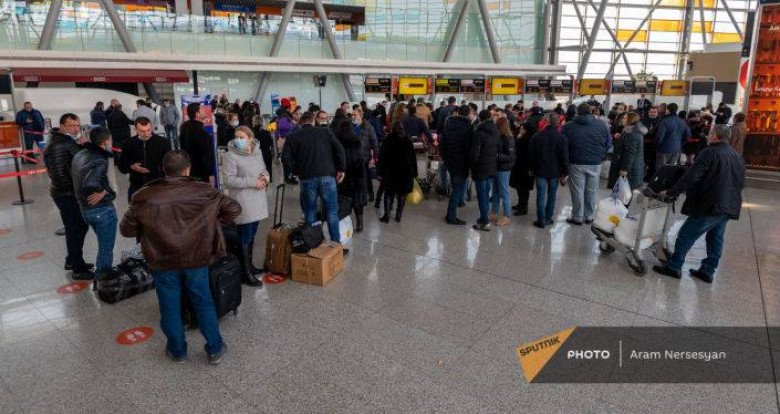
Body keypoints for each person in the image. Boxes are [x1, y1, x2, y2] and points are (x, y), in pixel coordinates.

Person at [120, 150, 240, 364]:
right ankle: (214, 348)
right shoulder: (204, 190)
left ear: (164, 170)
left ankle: (177, 351)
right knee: (203, 302)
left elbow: (126, 230)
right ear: (187, 170)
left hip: (162, 261)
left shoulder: (143, 196)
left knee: (169, 307)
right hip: (197, 258)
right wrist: (210, 225)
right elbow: (234, 209)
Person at [652, 124, 746, 283]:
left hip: (710, 204)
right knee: (715, 237)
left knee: (686, 234)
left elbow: (692, 176)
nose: (708, 136)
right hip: (729, 204)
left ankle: (674, 267)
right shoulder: (737, 156)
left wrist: (671, 192)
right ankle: (708, 270)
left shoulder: (709, 152)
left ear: (715, 136)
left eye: (710, 133)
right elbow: (741, 183)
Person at [282, 112, 347, 245]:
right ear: (313, 121)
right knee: (332, 211)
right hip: (327, 176)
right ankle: (336, 244)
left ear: (300, 123)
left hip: (306, 178)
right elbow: (340, 150)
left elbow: (285, 158)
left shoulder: (292, 136)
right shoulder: (325, 132)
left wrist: (296, 171)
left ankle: (313, 243)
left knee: (310, 211)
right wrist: (341, 169)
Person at [44, 113, 94, 280]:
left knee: (78, 226)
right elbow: (60, 176)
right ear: (62, 126)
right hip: (67, 194)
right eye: (71, 126)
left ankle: (72, 260)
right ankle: (78, 268)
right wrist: (78, 191)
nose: (75, 128)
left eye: (77, 125)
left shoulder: (65, 140)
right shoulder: (58, 145)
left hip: (68, 193)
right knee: (76, 228)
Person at [222, 126, 269, 287]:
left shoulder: (257, 152)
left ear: (250, 138)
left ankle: (250, 266)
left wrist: (265, 178)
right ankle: (245, 272)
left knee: (252, 234)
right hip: (243, 200)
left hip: (258, 198)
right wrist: (252, 182)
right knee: (244, 235)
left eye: (242, 137)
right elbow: (228, 179)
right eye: (236, 137)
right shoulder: (230, 156)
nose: (238, 140)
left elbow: (264, 170)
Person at [71, 126, 117, 273]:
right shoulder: (100, 159)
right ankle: (103, 278)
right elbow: (92, 182)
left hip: (84, 208)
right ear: (107, 140)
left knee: (103, 245)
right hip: (101, 210)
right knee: (106, 248)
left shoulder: (80, 153)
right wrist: (105, 191)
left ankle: (101, 274)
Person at [562, 103, 611, 226]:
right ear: (591, 111)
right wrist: (600, 155)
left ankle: (577, 217)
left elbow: (563, 145)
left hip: (576, 162)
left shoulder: (568, 126)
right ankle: (589, 216)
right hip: (595, 163)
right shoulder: (602, 125)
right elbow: (608, 143)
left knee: (577, 191)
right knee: (592, 191)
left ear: (577, 112)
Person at [528, 113, 569, 228]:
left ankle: (541, 220)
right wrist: (565, 172)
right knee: (552, 195)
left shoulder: (537, 136)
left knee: (540, 195)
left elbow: (531, 154)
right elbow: (564, 157)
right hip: (555, 172)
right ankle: (548, 218)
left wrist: (530, 168)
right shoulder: (562, 138)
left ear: (547, 121)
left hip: (540, 170)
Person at [118, 117, 171, 201]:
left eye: (148, 130)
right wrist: (131, 167)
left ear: (151, 127)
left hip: (158, 185)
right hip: (137, 186)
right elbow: (122, 166)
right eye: (142, 131)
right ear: (135, 129)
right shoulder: (128, 143)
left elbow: (170, 164)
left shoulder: (163, 142)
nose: (146, 134)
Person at [377, 121, 417, 223]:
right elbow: (413, 158)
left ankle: (386, 216)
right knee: (402, 194)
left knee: (388, 193)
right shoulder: (408, 140)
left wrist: (380, 172)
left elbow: (382, 157)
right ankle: (398, 216)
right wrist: (415, 173)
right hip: (405, 172)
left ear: (392, 128)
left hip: (391, 172)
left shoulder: (388, 139)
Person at [440, 105, 473, 225]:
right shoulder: (468, 128)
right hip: (461, 163)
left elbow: (442, 144)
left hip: (450, 162)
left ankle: (454, 209)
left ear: (458, 113)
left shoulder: (448, 125)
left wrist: (446, 159)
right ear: (468, 114)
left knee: (456, 187)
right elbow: (469, 148)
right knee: (458, 189)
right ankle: (451, 216)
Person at [333, 119, 368, 232]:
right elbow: (361, 158)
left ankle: (343, 223)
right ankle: (360, 223)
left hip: (341, 176)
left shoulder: (336, 142)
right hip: (357, 175)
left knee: (343, 201)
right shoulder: (357, 141)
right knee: (358, 201)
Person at [471, 110, 500, 231]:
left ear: (479, 118)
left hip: (481, 168)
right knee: (486, 194)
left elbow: (475, 153)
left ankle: (485, 221)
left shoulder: (478, 132)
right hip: (491, 167)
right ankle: (484, 216)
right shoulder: (495, 130)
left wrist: (473, 168)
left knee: (482, 195)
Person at [180, 103, 216, 185]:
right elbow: (206, 156)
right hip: (201, 174)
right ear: (197, 114)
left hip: (188, 171)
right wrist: (210, 174)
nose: (204, 110)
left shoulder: (184, 126)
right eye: (202, 109)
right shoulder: (201, 132)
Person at [607, 113, 646, 190]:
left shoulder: (632, 133)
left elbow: (630, 153)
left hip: (630, 168)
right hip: (630, 165)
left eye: (624, 118)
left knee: (625, 191)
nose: (622, 120)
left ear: (630, 120)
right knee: (624, 190)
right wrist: (621, 137)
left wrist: (625, 169)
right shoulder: (631, 130)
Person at [490, 117, 516, 226]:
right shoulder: (497, 137)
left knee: (504, 193)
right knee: (495, 192)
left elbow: (511, 157)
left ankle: (507, 216)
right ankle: (494, 213)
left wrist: (497, 155)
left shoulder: (509, 138)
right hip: (496, 168)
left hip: (504, 169)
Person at [654, 102, 691, 173]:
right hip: (677, 150)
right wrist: (680, 144)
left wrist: (657, 146)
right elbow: (688, 136)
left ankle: (659, 181)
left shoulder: (665, 121)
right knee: (670, 171)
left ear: (667, 110)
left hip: (664, 149)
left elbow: (659, 136)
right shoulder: (682, 121)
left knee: (660, 171)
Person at [352, 108, 379, 204]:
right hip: (354, 157)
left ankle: (369, 194)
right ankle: (360, 196)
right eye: (352, 115)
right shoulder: (351, 127)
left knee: (366, 178)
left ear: (360, 116)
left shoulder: (369, 127)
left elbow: (374, 142)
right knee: (358, 178)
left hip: (365, 157)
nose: (352, 117)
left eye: (355, 115)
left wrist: (375, 157)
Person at [510, 121, 536, 216]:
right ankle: (520, 204)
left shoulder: (527, 139)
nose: (520, 130)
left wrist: (518, 138)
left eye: (522, 129)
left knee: (523, 188)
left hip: (524, 167)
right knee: (520, 187)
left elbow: (518, 148)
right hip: (520, 166)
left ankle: (523, 207)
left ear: (526, 130)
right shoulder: (526, 138)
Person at [252, 115, 275, 182]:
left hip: (255, 154)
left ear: (253, 122)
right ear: (262, 122)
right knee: (268, 168)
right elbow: (271, 143)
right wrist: (272, 152)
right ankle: (268, 181)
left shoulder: (251, 133)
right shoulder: (266, 132)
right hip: (266, 153)